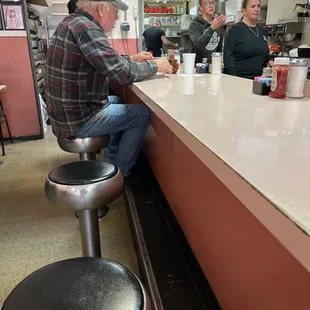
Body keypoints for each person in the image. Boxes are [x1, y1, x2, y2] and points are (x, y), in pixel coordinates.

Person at [45, 0, 172, 181]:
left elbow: (104, 60)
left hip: (65, 115)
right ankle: (120, 174)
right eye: (116, 11)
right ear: (102, 8)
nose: (118, 17)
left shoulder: (72, 22)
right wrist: (155, 66)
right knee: (140, 114)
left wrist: (133, 58)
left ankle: (110, 161)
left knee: (117, 101)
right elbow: (122, 74)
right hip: (77, 119)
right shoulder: (87, 28)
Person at [224, 0, 272, 79]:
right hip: (240, 79)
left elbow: (264, 54)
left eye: (258, 6)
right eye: (253, 6)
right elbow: (228, 57)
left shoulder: (262, 31)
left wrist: (270, 60)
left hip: (259, 80)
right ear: (244, 11)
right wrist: (234, 79)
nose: (256, 9)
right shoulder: (235, 29)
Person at [188, 0, 226, 64]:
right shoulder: (194, 25)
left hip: (213, 65)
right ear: (201, 8)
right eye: (207, 3)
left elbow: (219, 49)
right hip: (197, 65)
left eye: (213, 3)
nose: (211, 5)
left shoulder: (218, 24)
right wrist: (212, 28)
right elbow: (198, 45)